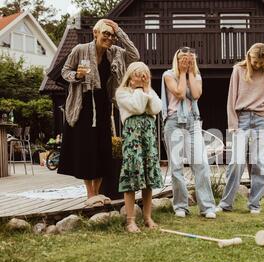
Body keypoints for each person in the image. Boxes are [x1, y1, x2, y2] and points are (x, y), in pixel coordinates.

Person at [58, 19, 140, 207]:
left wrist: (119, 31)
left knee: (103, 149)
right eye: (106, 34)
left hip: (104, 105)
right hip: (83, 105)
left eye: (112, 35)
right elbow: (65, 71)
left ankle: (99, 193)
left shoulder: (115, 52)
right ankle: (90, 194)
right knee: (87, 150)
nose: (109, 38)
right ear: (95, 33)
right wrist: (77, 76)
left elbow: (135, 55)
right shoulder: (80, 50)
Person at [216, 43, 264, 214]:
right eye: (254, 62)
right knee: (236, 162)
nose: (257, 65)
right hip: (242, 119)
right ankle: (226, 203)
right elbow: (231, 99)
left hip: (261, 120)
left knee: (259, 162)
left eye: (260, 63)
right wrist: (233, 124)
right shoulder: (238, 70)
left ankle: (254, 204)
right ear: (249, 57)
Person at [161, 47, 217, 219]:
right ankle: (180, 206)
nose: (186, 61)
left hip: (192, 122)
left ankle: (207, 207)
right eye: (183, 58)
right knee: (176, 166)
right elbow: (178, 93)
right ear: (176, 60)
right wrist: (183, 73)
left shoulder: (197, 76)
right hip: (173, 121)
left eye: (189, 58)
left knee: (200, 164)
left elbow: (195, 94)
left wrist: (190, 72)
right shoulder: (168, 75)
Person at [115, 62, 163, 233]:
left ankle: (148, 218)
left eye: (145, 75)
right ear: (130, 76)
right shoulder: (122, 93)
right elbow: (137, 107)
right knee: (132, 177)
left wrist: (147, 89)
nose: (142, 78)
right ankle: (130, 221)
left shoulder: (149, 91)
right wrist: (139, 90)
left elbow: (156, 108)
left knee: (148, 179)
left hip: (148, 138)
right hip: (132, 139)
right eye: (138, 74)